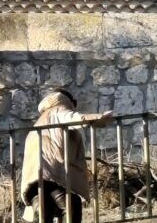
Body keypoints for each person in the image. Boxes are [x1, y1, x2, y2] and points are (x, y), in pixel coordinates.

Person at [20, 90, 112, 223]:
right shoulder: (58, 110)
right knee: (71, 206)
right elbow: (74, 118)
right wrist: (99, 118)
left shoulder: (38, 124)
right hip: (54, 175)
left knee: (42, 213)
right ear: (67, 100)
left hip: (34, 181)